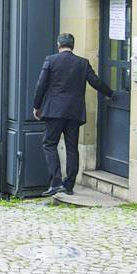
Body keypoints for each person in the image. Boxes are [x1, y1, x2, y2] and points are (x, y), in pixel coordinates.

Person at [32, 32, 114, 196]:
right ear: (73, 46)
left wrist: (36, 106)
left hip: (54, 111)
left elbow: (41, 85)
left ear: (58, 45)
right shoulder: (82, 63)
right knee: (72, 148)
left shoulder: (51, 60)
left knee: (49, 144)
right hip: (74, 112)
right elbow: (95, 81)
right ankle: (69, 185)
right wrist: (110, 93)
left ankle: (56, 182)